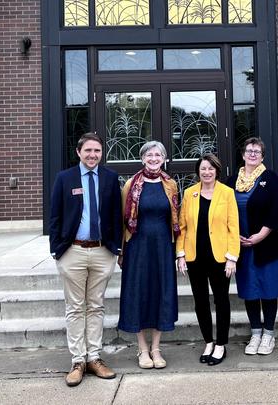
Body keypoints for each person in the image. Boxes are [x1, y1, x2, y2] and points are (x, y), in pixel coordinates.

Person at [49, 132, 123, 387]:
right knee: (75, 307)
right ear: (79, 152)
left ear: (102, 154)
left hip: (103, 252)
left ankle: (94, 357)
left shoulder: (111, 178)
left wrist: (117, 248)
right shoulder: (64, 178)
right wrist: (57, 249)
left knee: (96, 306)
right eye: (88, 151)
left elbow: (115, 215)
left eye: (97, 151)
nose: (93, 155)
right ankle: (77, 360)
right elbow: (55, 216)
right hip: (74, 251)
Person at [119, 141, 180, 370]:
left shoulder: (171, 184)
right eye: (149, 155)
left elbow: (176, 217)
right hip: (137, 248)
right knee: (138, 294)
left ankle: (156, 348)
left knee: (160, 294)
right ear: (142, 158)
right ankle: (142, 349)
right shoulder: (130, 185)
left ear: (164, 158)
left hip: (163, 247)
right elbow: (122, 220)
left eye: (158, 155)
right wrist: (121, 252)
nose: (153, 158)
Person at [225, 138, 278, 356]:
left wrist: (260, 236)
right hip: (242, 248)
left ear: (262, 156)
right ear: (243, 155)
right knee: (250, 291)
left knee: (268, 291)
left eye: (257, 151)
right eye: (249, 150)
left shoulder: (270, 178)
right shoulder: (231, 181)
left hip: (268, 245)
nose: (252, 154)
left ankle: (268, 334)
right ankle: (255, 333)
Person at [176, 154, 240, 366]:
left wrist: (232, 257)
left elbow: (233, 227)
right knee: (200, 301)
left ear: (217, 171)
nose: (206, 172)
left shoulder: (227, 193)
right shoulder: (189, 193)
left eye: (210, 169)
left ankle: (221, 344)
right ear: (198, 171)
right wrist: (181, 254)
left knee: (221, 301)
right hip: (195, 257)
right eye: (203, 169)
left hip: (220, 258)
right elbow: (182, 227)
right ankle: (208, 342)